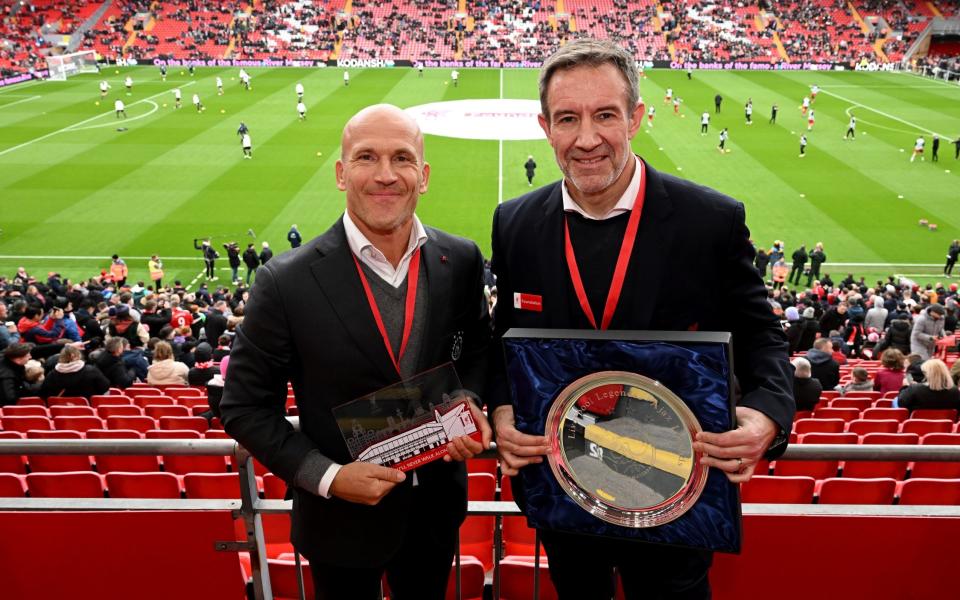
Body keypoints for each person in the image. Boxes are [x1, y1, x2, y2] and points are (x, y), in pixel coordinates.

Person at [486, 39, 793, 600]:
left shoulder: (710, 219)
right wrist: (503, 408)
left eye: (605, 115)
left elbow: (761, 336)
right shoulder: (515, 224)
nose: (586, 139)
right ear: (544, 126)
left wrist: (768, 416)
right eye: (567, 119)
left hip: (675, 490)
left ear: (636, 117)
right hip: (566, 488)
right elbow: (505, 340)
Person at [220, 103, 492, 600]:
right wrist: (327, 476)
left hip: (435, 511)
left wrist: (469, 400)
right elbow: (243, 407)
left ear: (423, 175)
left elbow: (477, 349)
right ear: (342, 174)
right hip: (338, 522)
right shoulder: (285, 281)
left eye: (402, 158)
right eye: (367, 157)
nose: (385, 175)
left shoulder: (461, 259)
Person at [39, 345, 110, 399]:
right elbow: (105, 387)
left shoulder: (52, 375)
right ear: (77, 356)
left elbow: (43, 394)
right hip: (87, 410)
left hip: (61, 412)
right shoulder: (91, 371)